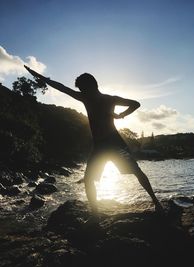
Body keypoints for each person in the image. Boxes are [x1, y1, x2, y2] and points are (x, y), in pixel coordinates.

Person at [24, 65, 163, 213]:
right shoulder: (106, 99)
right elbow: (135, 104)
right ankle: (95, 214)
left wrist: (120, 115)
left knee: (135, 171)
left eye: (82, 89)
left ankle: (156, 202)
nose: (81, 92)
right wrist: (120, 115)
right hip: (105, 145)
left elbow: (136, 104)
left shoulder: (90, 98)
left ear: (91, 86)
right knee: (91, 178)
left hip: (112, 143)